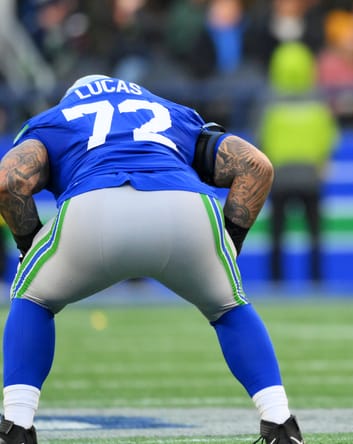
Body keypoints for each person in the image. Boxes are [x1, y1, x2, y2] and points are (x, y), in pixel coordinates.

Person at [0, 74, 305, 444]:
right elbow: (256, 166)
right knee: (228, 306)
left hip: (95, 210)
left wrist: (28, 244)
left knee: (33, 297)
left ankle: (16, 424)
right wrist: (226, 246)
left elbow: (7, 181)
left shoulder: (55, 120)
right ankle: (280, 421)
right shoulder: (175, 113)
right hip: (186, 207)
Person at [260, 42, 338, 284]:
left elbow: (261, 137)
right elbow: (328, 134)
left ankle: (276, 282)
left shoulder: (268, 100)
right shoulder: (318, 98)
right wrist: (322, 160)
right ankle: (316, 280)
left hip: (279, 176)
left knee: (276, 234)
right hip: (310, 176)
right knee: (314, 234)